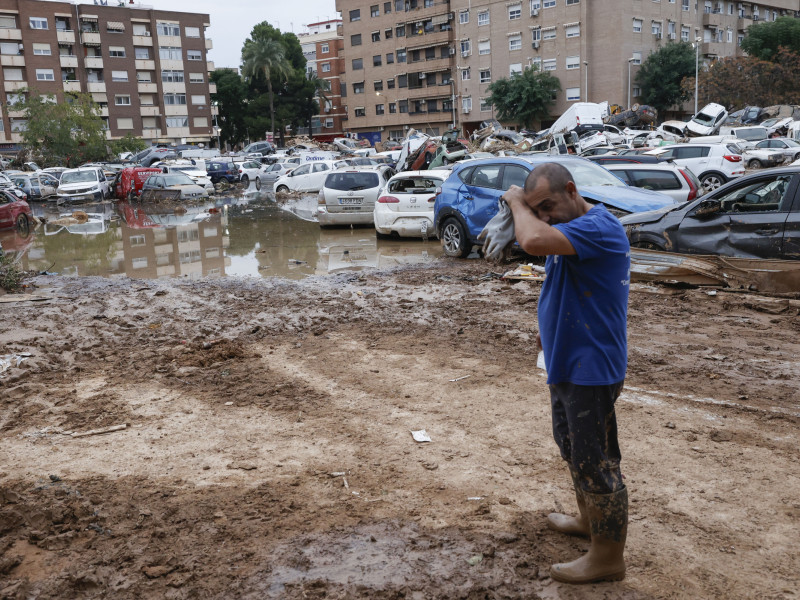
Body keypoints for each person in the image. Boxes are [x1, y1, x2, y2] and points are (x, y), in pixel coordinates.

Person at [501, 162, 631, 584]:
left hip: (591, 367)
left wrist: (518, 203)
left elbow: (532, 240)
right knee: (572, 447)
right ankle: (588, 520)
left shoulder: (599, 227)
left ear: (572, 190)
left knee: (596, 461)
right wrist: (546, 330)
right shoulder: (571, 231)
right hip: (567, 359)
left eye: (547, 205)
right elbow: (557, 281)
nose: (543, 216)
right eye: (537, 209)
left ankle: (608, 557)